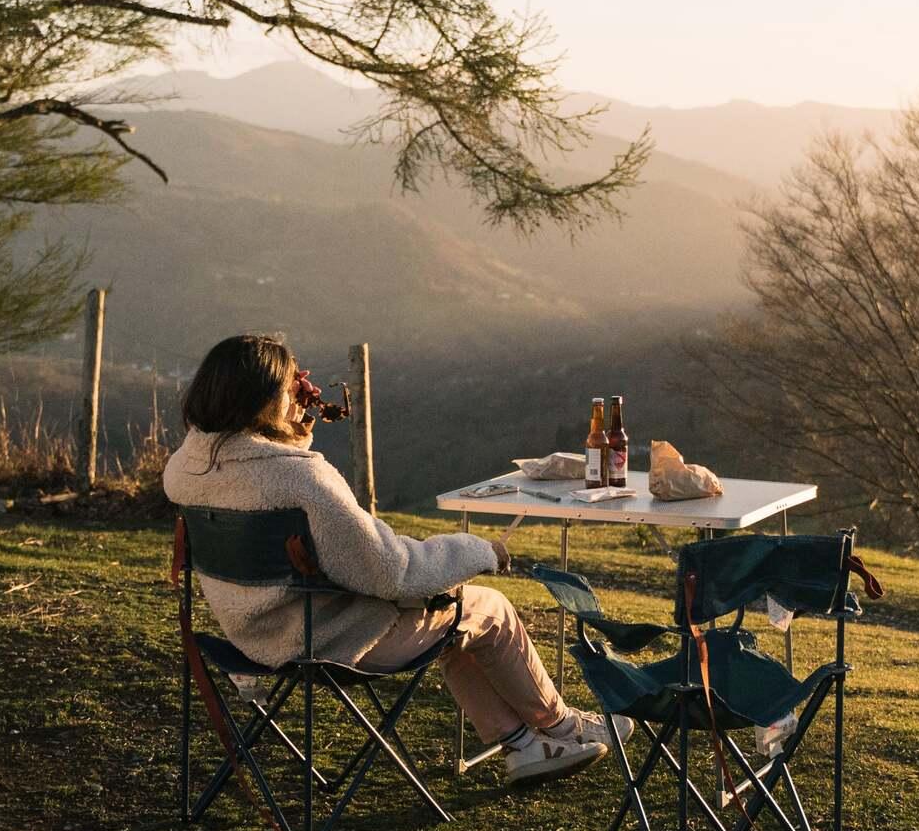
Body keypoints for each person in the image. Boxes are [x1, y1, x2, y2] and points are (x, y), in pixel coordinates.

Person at [164, 333, 628, 783]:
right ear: (267, 401)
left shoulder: (187, 469)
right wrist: (478, 550)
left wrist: (288, 438)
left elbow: (260, 474)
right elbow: (392, 572)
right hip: (332, 641)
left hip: (251, 637)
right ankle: (563, 727)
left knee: (453, 615)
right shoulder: (303, 478)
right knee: (489, 608)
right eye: (289, 391)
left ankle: (523, 745)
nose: (297, 398)